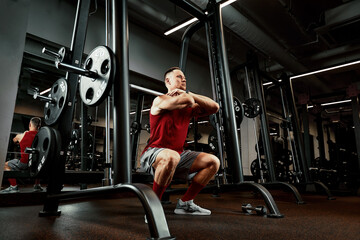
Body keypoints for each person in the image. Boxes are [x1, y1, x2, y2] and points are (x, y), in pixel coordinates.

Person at [139, 67, 220, 216]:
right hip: (153, 153)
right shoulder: (160, 100)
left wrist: (190, 94)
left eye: (184, 77)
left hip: (179, 154)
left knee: (213, 162)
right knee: (171, 156)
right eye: (179, 77)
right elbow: (188, 100)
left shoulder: (187, 103)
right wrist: (188, 96)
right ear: (167, 81)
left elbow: (215, 107)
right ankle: (153, 207)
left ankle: (185, 204)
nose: (184, 79)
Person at [1, 117, 43, 193]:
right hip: (36, 165)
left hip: (23, 164)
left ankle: (14, 186)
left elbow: (14, 140)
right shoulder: (42, 137)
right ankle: (37, 185)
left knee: (5, 165)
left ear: (30, 124)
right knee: (38, 163)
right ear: (39, 126)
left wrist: (23, 136)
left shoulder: (22, 135)